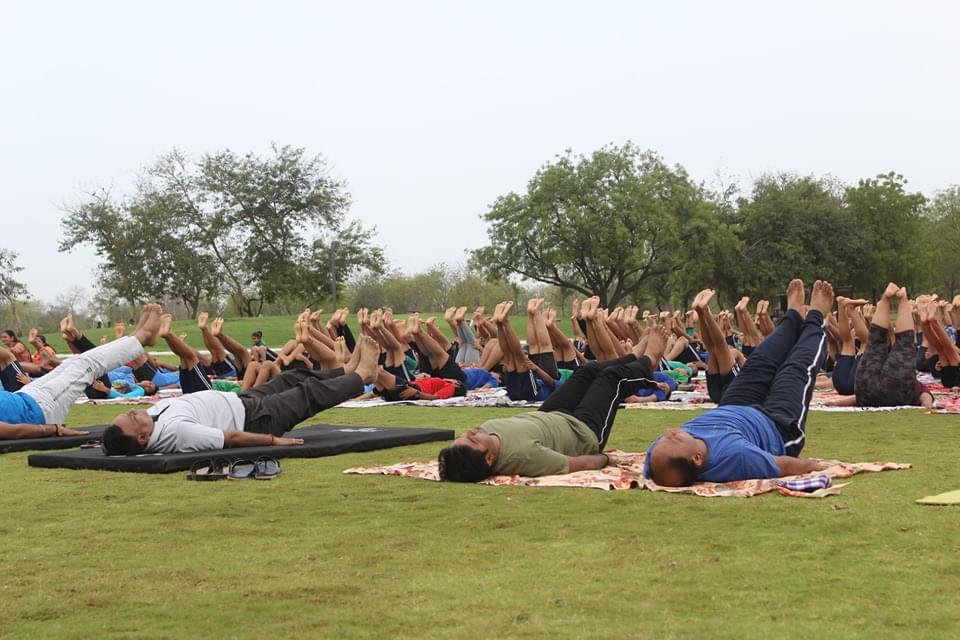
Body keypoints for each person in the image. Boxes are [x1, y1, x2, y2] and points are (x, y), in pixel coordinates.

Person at [644, 279, 833, 487]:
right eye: (674, 439)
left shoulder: (657, 457)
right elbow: (784, 466)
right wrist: (818, 466)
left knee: (760, 359)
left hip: (733, 405)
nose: (670, 432)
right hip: (776, 426)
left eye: (665, 437)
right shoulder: (734, 457)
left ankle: (793, 315)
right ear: (697, 458)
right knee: (797, 367)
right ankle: (816, 316)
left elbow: (657, 464)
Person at [437, 325, 667, 482]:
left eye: (466, 436)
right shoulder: (524, 458)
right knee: (611, 378)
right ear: (489, 458)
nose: (471, 432)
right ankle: (649, 361)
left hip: (550, 414)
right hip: (583, 431)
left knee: (585, 370)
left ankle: (633, 356)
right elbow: (577, 464)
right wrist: (606, 459)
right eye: (472, 439)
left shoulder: (486, 435)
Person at [102, 335, 382, 455]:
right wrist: (273, 441)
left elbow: (114, 442)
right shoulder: (177, 434)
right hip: (256, 420)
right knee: (308, 393)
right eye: (131, 417)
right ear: (141, 437)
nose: (134, 411)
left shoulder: (150, 424)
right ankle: (362, 377)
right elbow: (230, 438)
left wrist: (104, 444)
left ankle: (347, 371)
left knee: (292, 376)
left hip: (242, 402)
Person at [0, 305, 162, 440]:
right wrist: (55, 429)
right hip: (40, 410)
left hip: (26, 396)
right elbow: (13, 431)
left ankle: (136, 338)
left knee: (76, 361)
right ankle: (143, 337)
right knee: (86, 365)